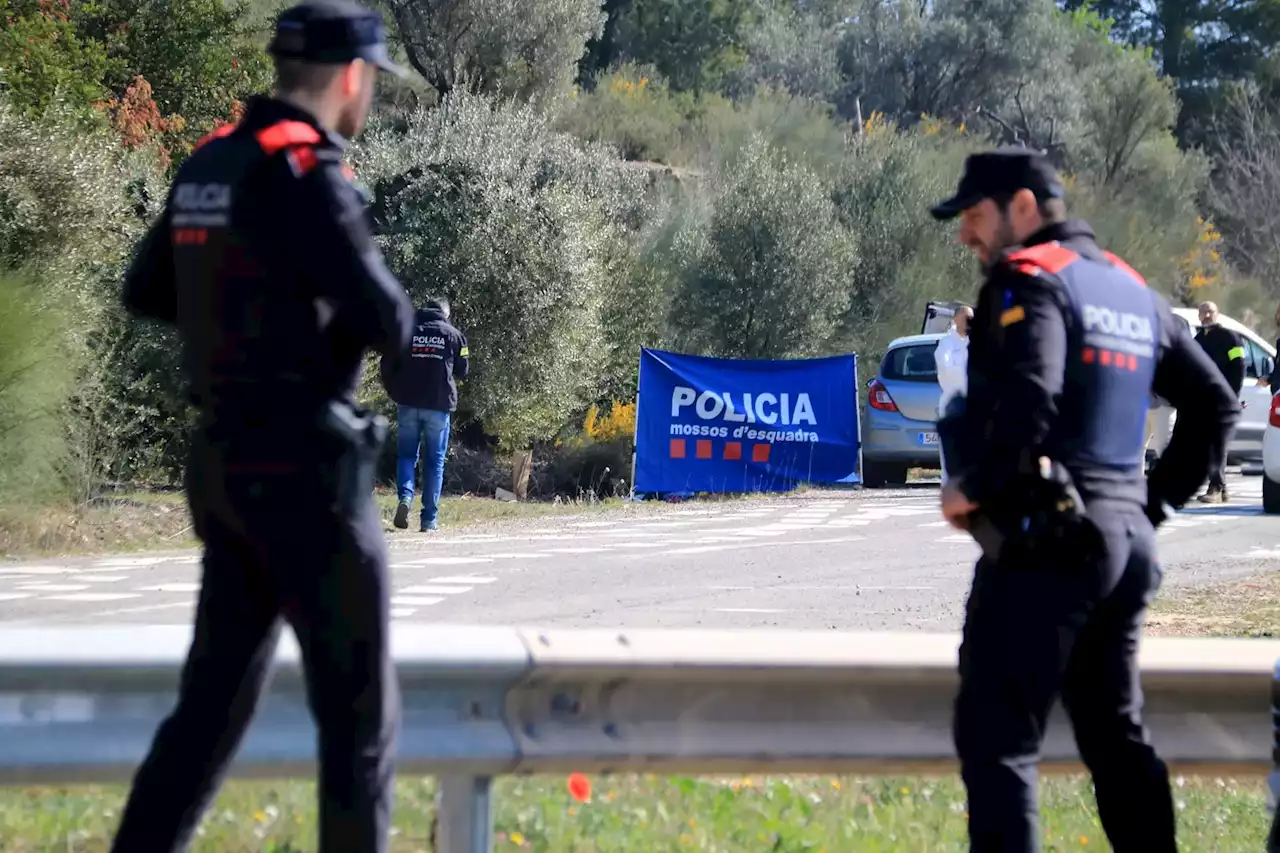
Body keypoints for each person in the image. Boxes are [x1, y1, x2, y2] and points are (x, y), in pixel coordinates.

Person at [109, 2, 414, 852]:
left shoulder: (213, 160)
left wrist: (237, 317)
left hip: (224, 469)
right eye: (372, 85)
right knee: (360, 732)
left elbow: (145, 290)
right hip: (310, 482)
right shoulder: (310, 172)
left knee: (204, 719)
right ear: (352, 77)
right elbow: (388, 319)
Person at [930, 147, 1240, 853]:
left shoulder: (1029, 278)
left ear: (1024, 209)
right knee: (1116, 740)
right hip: (1124, 549)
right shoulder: (1130, 287)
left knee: (998, 736)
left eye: (975, 216)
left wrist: (972, 486)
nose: (966, 235)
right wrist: (1143, 507)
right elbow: (1216, 406)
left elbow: (1031, 399)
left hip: (1049, 544)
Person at [380, 297, 469, 532]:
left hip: (408, 404)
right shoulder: (455, 335)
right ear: (445, 313)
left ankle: (405, 499)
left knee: (407, 456)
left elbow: (386, 365)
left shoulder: (405, 332)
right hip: (438, 408)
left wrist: (396, 392)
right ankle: (429, 520)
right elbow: (463, 370)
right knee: (434, 462)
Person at [1193, 301, 1245, 503]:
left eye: (1210, 312)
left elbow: (1239, 367)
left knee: (1217, 443)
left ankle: (1215, 488)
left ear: (1218, 314)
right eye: (1203, 312)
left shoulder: (1229, 337)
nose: (1206, 315)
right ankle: (1220, 488)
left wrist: (1232, 397)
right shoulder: (1197, 340)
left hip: (1222, 400)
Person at [934, 305, 973, 485]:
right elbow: (946, 370)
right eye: (966, 318)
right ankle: (949, 485)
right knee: (950, 450)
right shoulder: (946, 344)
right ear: (956, 319)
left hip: (975, 403)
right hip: (952, 403)